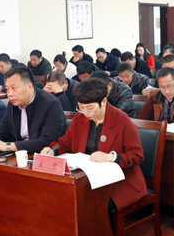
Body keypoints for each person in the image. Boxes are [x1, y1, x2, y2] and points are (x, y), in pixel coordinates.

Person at [39, 79, 145, 213]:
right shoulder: (80, 118)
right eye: (81, 107)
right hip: (86, 178)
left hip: (119, 181)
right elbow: (66, 142)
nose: (86, 113)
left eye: (90, 108)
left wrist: (111, 157)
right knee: (59, 197)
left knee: (89, 205)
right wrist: (53, 150)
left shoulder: (123, 121)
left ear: (104, 101)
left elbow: (136, 156)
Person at [0, 65, 66, 153]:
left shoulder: (51, 104)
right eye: (7, 89)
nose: (10, 94)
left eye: (14, 88)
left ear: (29, 86)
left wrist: (8, 146)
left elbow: (47, 142)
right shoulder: (13, 104)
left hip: (44, 156)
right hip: (21, 155)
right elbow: (1, 132)